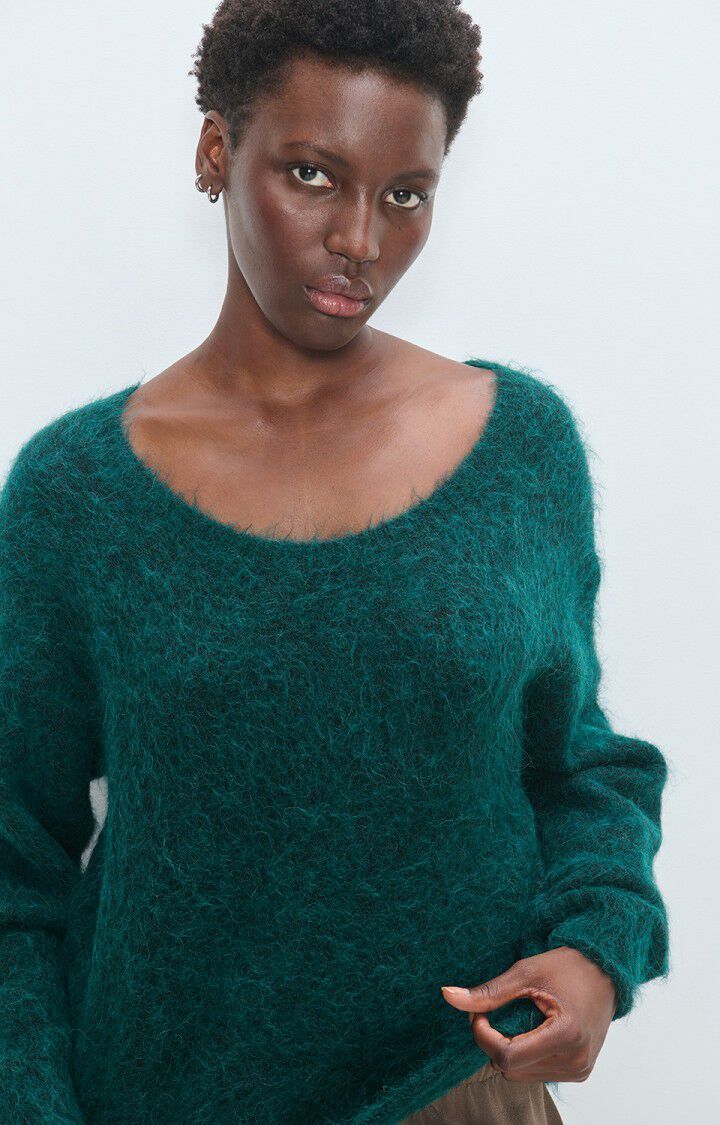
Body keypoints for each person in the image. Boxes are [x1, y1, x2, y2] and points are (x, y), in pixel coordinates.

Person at [0, 1, 670, 1122]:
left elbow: (579, 764)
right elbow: (13, 862)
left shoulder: (518, 448)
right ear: (217, 150)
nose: (360, 238)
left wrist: (599, 950)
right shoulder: (75, 495)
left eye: (405, 195)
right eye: (312, 175)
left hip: (460, 1089)